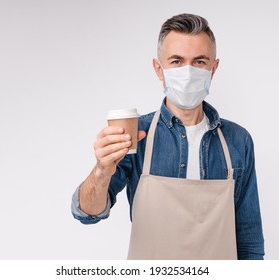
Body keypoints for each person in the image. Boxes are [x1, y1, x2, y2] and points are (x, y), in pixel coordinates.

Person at [71, 13, 264, 260]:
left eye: (199, 62)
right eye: (176, 61)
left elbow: (248, 240)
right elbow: (87, 214)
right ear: (158, 69)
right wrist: (101, 170)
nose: (188, 72)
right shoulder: (135, 135)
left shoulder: (238, 141)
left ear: (213, 69)